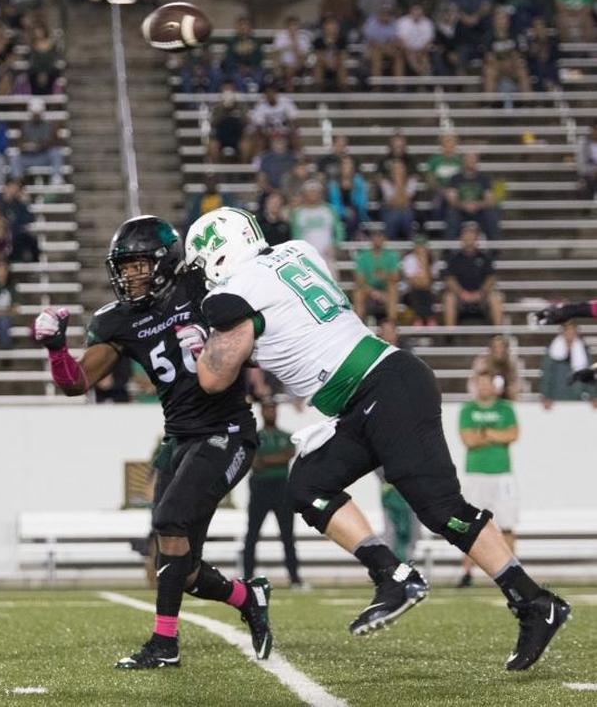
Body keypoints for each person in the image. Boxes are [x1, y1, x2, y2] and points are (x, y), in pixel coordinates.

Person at [185, 208, 569, 670]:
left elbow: (213, 376)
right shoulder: (298, 252)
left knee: (442, 510)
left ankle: (533, 602)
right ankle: (392, 574)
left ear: (215, 256)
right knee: (309, 484)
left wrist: (197, 330)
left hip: (382, 388)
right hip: (373, 390)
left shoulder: (234, 293)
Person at [33, 214, 272, 669]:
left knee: (168, 521)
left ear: (167, 261)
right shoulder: (118, 320)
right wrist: (56, 350)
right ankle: (248, 597)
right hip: (179, 439)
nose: (130, 275)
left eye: (140, 265)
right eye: (124, 267)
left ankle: (165, 644)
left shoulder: (202, 290)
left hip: (227, 431)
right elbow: (76, 383)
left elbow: (254, 326)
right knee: (183, 568)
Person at [457, 372, 520, 588]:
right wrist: (496, 435)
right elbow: (468, 440)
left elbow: (513, 434)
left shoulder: (506, 408)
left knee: (507, 524)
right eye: (480, 383)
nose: (484, 388)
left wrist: (484, 434)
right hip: (476, 474)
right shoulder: (468, 410)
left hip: (502, 474)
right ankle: (467, 573)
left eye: (487, 383)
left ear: (494, 386)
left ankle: (513, 573)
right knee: (471, 526)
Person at [241, 401, 302, 588]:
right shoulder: (254, 437)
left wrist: (266, 459)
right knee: (252, 535)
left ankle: (294, 579)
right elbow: (254, 461)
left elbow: (288, 455)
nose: (271, 412)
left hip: (281, 488)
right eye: (267, 409)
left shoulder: (286, 436)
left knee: (287, 536)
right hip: (260, 488)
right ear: (261, 412)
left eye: (273, 409)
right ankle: (247, 577)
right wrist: (275, 459)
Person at [443, 222, 503, 327]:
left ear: (477, 238)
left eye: (472, 234)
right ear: (461, 238)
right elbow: (449, 279)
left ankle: (498, 335)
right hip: (460, 297)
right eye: (466, 234)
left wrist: (481, 293)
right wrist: (461, 293)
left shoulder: (485, 257)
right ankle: (450, 335)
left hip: (481, 297)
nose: (469, 237)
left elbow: (490, 278)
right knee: (449, 298)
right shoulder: (453, 258)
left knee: (495, 297)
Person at [352, 224, 400, 323]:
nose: (377, 239)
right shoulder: (363, 257)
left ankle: (392, 323)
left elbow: (395, 277)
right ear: (371, 239)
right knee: (358, 292)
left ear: (384, 239)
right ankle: (359, 325)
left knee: (392, 288)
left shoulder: (392, 256)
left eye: (380, 236)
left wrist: (384, 277)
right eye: (375, 236)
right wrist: (373, 292)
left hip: (385, 290)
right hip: (368, 290)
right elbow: (359, 280)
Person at [539, 321, 595, 405]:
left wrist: (593, 395)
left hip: (578, 397)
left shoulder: (584, 351)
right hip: (556, 397)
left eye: (573, 331)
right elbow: (547, 374)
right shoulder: (552, 351)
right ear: (562, 332)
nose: (570, 333)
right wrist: (546, 396)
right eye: (567, 330)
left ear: (577, 332)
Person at [444, 153, 498, 240]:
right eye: (468, 160)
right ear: (463, 162)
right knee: (451, 215)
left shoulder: (484, 178)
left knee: (491, 214)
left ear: (477, 162)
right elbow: (452, 200)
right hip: (460, 210)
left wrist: (477, 205)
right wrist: (464, 205)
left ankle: (494, 249)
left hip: (479, 210)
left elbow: (489, 199)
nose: (471, 163)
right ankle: (449, 250)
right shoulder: (455, 178)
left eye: (473, 160)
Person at [12, 98, 63, 184]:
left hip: (44, 157)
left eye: (38, 113)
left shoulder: (49, 125)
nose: (36, 116)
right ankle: (17, 182)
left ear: (41, 113)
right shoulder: (24, 126)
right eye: (34, 113)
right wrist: (26, 146)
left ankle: (56, 178)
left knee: (56, 152)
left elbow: (54, 142)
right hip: (29, 157)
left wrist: (40, 145)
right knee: (15, 158)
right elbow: (19, 144)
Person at [472, 334, 524, 402]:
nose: (499, 350)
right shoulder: (482, 362)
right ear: (491, 349)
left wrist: (512, 390)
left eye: (501, 347)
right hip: (487, 398)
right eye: (495, 347)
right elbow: (474, 383)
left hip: (507, 398)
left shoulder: (513, 363)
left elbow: (518, 384)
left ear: (506, 349)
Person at [400, 235, 437, 325]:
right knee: (417, 292)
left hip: (426, 291)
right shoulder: (408, 259)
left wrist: (424, 262)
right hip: (410, 291)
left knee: (426, 292)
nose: (420, 248)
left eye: (422, 246)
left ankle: (423, 319)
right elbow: (412, 282)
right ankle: (424, 318)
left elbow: (428, 282)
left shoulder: (432, 260)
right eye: (418, 246)